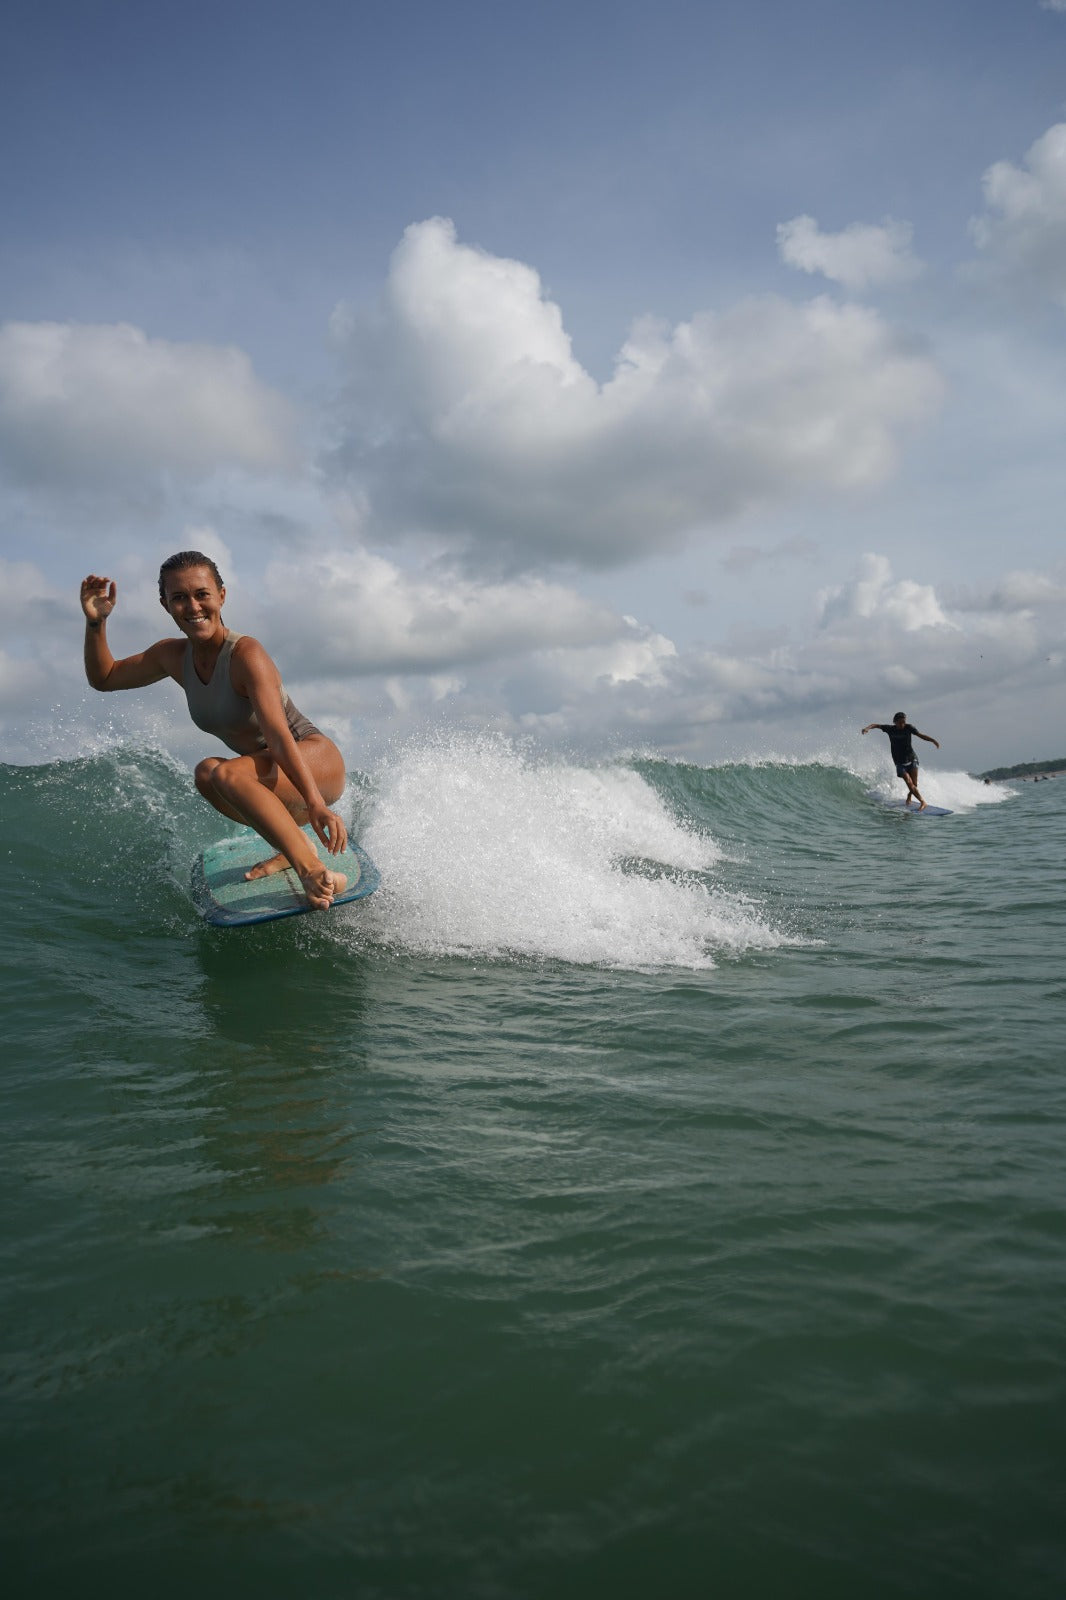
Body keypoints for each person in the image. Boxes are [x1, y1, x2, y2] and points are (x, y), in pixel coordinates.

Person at [81, 552, 349, 909]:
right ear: (166, 605)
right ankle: (293, 849)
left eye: (202, 594)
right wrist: (97, 624)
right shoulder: (172, 656)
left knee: (225, 774)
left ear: (222, 595)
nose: (192, 606)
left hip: (313, 761)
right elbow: (105, 678)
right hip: (272, 772)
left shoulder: (246, 654)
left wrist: (316, 803)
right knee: (207, 774)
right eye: (179, 598)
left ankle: (314, 872)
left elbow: (278, 737)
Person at [861, 712, 940, 810]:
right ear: (895, 722)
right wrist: (867, 728)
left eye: (904, 722)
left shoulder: (909, 728)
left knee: (914, 784)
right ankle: (923, 802)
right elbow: (876, 725)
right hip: (899, 762)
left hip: (912, 758)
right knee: (909, 782)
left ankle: (909, 796)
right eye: (900, 722)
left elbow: (920, 735)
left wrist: (933, 740)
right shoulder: (890, 729)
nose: (902, 724)